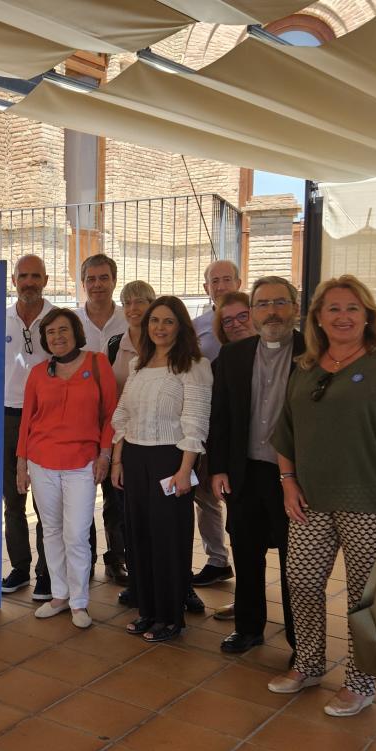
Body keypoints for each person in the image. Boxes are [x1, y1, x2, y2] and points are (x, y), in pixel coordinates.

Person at [268, 275, 376, 717]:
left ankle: (360, 682)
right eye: (333, 309)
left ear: (367, 316)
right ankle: (308, 664)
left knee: (365, 597)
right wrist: (288, 481)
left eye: (352, 308)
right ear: (318, 318)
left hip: (373, 502)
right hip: (311, 501)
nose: (343, 316)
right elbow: (286, 432)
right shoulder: (305, 367)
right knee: (301, 581)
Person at [208, 277, 303, 655]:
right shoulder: (233, 356)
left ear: (295, 308)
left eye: (280, 302)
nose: (272, 311)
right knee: (246, 554)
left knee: (297, 562)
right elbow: (220, 417)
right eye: (263, 304)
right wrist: (218, 468)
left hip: (295, 478)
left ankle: (301, 641)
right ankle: (248, 628)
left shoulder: (316, 353)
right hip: (245, 473)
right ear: (254, 312)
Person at [110, 296, 212, 643]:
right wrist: (118, 461)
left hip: (171, 460)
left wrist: (185, 471)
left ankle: (170, 617)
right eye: (155, 321)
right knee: (138, 536)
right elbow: (123, 415)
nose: (160, 328)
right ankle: (148, 610)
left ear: (181, 326)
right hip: (135, 457)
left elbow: (196, 422)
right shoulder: (138, 365)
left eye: (168, 321)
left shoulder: (194, 365)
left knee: (168, 538)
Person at [17, 308, 119, 629]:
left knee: (76, 534)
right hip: (41, 461)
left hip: (82, 462)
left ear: (76, 332)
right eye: (50, 332)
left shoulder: (97, 364)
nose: (57, 336)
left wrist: (105, 455)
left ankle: (79, 602)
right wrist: (22, 464)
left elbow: (111, 414)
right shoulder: (38, 372)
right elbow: (26, 421)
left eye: (63, 329)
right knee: (51, 530)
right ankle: (59, 595)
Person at [72, 254, 128, 592]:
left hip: (120, 422)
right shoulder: (72, 321)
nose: (97, 285)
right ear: (83, 283)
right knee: (81, 496)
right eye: (91, 279)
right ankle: (86, 559)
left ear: (114, 281)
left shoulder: (129, 319)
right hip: (80, 424)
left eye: (103, 278)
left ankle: (117, 558)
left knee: (115, 495)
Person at [1, 254, 53, 597]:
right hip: (6, 417)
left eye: (35, 276)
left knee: (46, 502)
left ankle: (46, 572)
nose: (29, 282)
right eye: (23, 276)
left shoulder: (59, 319)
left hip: (47, 419)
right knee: (13, 500)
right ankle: (20, 568)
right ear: (14, 281)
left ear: (45, 280)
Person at [104, 279, 155, 608]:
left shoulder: (164, 340)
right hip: (122, 440)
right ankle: (136, 579)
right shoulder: (114, 345)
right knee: (125, 512)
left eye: (141, 301)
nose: (134, 308)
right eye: (128, 302)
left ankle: (176, 584)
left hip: (159, 441)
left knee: (160, 516)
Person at [190, 259, 240, 590]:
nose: (220, 286)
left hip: (246, 425)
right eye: (214, 281)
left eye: (226, 279)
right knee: (205, 494)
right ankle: (217, 560)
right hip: (208, 421)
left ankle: (246, 566)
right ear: (206, 287)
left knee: (239, 501)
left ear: (238, 283)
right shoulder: (196, 327)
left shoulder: (251, 320)